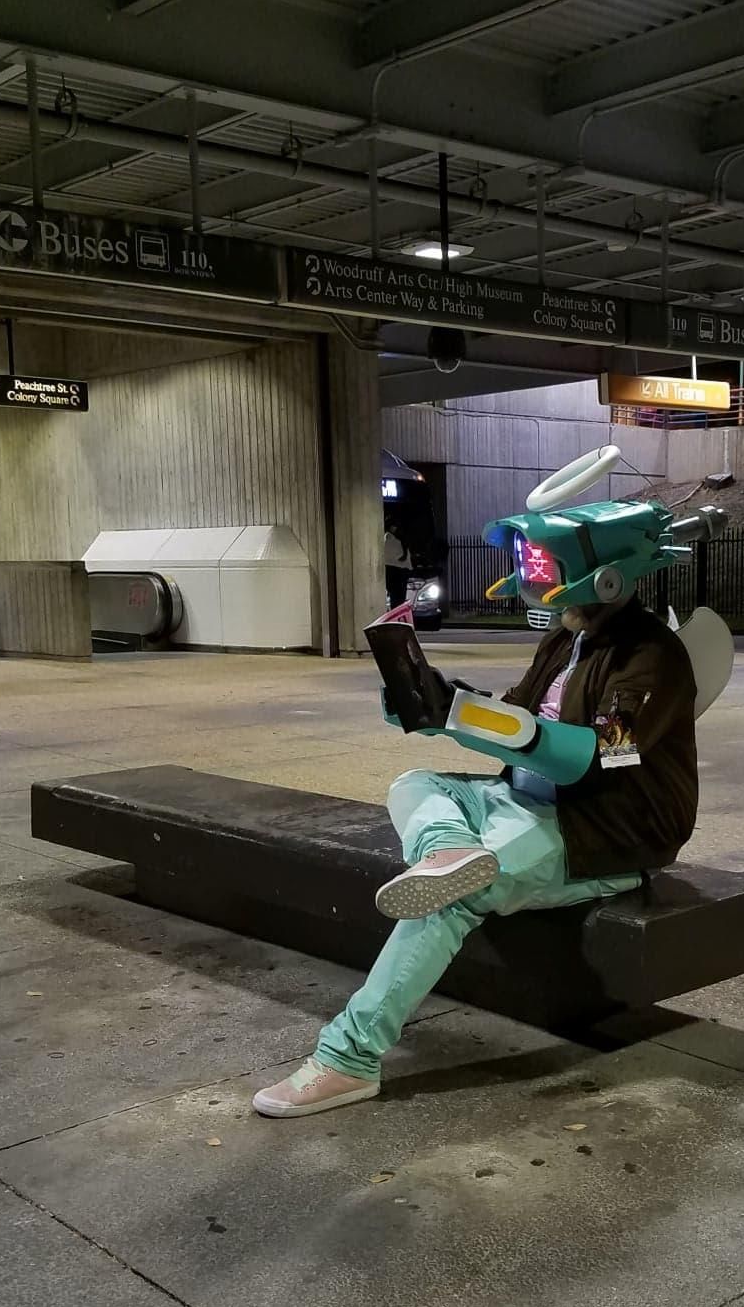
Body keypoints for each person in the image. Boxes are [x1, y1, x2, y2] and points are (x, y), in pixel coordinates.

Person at [254, 450, 714, 1119]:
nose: (533, 577)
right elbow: (517, 712)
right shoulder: (566, 638)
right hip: (527, 801)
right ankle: (446, 849)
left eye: (545, 566)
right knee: (415, 783)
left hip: (606, 828)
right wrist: (436, 708)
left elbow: (600, 756)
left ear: (605, 576)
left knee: (447, 900)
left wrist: (470, 718)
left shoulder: (653, 657)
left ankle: (348, 1059)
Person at [383, 525, 411, 610]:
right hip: (397, 569)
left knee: (396, 597)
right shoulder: (396, 540)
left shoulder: (392, 539)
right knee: (398, 598)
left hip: (395, 569)